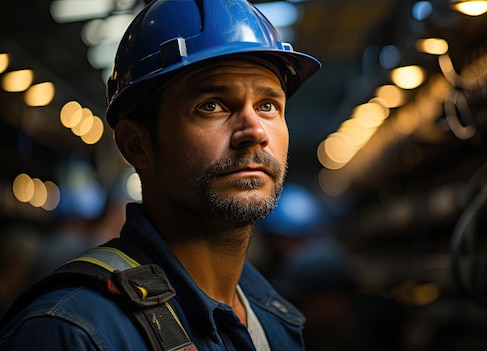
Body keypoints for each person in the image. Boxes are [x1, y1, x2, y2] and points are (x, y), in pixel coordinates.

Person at [0, 0, 320, 350]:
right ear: (136, 144)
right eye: (211, 105)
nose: (255, 131)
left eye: (268, 105)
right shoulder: (73, 332)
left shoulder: (275, 321)